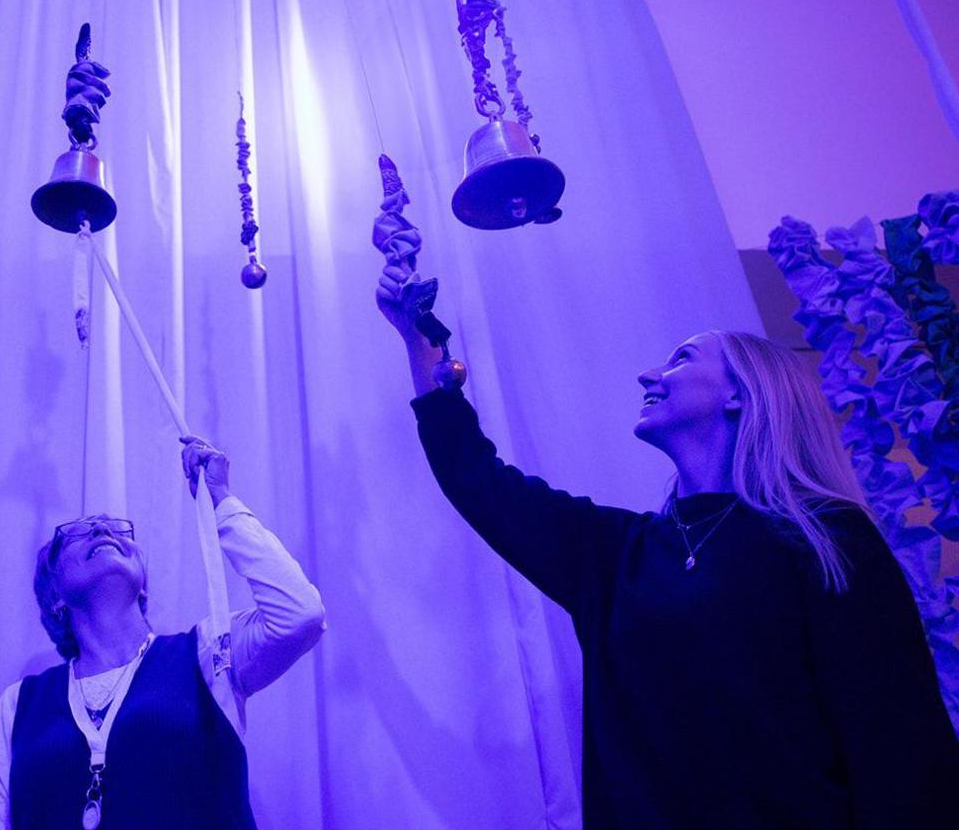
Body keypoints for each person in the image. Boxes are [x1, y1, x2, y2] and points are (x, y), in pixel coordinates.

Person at [375, 258, 959, 828]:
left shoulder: (825, 535)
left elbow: (898, 742)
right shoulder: (617, 556)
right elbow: (478, 480)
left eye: (681, 359)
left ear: (739, 394)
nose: (649, 375)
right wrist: (418, 343)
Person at [0, 436, 325, 829]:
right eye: (81, 531)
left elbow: (300, 615)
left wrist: (221, 503)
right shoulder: (19, 702)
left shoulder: (207, 655)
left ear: (142, 583)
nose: (103, 531)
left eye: (115, 529)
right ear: (54, 593)